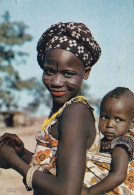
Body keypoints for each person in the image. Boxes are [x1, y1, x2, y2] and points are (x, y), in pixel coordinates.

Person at [0, 22, 101, 195]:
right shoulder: (64, 110)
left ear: (86, 72)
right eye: (49, 71)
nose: (56, 82)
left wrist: (13, 162)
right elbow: (57, 169)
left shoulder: (75, 112)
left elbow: (67, 191)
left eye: (67, 73)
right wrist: (21, 153)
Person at [83, 87, 134, 195]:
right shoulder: (105, 141)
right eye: (105, 117)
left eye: (118, 119)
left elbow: (119, 175)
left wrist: (88, 192)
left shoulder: (122, 143)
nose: (110, 125)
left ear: (131, 123)